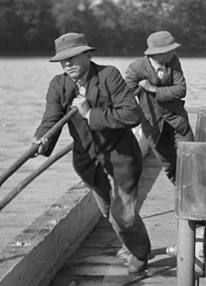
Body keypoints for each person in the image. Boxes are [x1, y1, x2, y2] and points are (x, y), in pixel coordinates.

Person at [32, 32, 152, 273]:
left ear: (88, 55)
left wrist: (90, 115)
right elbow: (51, 119)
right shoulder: (58, 85)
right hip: (88, 163)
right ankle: (129, 242)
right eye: (63, 60)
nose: (67, 64)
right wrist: (41, 140)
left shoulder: (109, 76)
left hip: (121, 159)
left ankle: (141, 252)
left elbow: (132, 114)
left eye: (73, 58)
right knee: (110, 212)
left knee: (123, 216)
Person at [125, 31, 194, 184]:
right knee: (169, 165)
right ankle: (182, 193)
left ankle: (192, 196)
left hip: (177, 120)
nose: (173, 53)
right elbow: (125, 98)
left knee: (191, 156)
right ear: (158, 53)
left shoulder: (173, 61)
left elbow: (181, 90)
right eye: (170, 50)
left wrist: (153, 89)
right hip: (153, 125)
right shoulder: (135, 69)